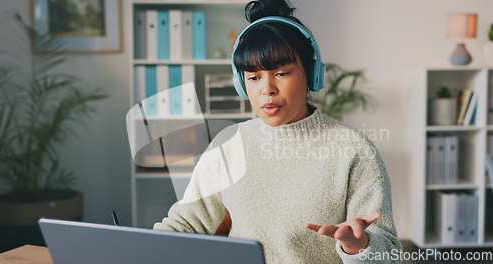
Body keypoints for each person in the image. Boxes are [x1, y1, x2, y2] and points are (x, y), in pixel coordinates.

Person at [153, 0, 402, 263]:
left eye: (282, 73)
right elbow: (185, 223)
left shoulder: (354, 149)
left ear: (312, 74)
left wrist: (359, 245)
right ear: (241, 84)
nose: (267, 89)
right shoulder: (228, 144)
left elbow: (389, 252)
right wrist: (142, 248)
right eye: (253, 76)